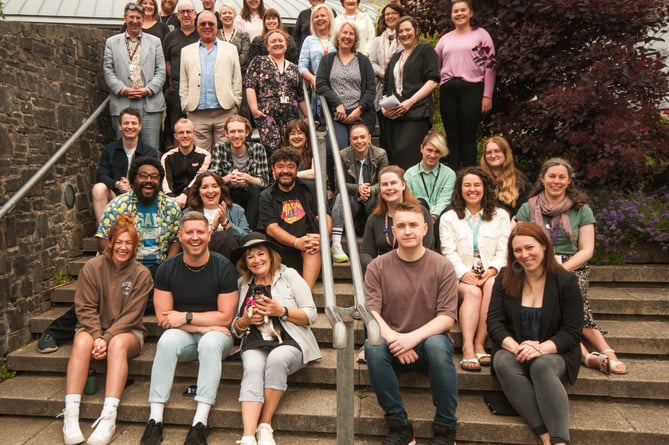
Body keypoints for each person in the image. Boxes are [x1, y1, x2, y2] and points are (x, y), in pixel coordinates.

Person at [37, 157, 181, 355]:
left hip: (156, 268)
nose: (149, 180)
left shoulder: (171, 207)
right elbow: (103, 240)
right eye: (143, 176)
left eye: (154, 177)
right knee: (102, 298)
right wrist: (121, 263)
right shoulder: (118, 205)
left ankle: (110, 327)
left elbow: (175, 239)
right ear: (133, 179)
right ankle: (54, 331)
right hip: (120, 266)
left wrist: (169, 265)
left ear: (160, 181)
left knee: (152, 294)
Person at [515, 158, 628, 375]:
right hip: (535, 264)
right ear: (542, 179)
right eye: (552, 176)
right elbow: (520, 242)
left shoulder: (581, 210)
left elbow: (586, 250)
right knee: (555, 307)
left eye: (561, 177)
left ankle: (603, 351)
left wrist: (561, 271)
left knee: (573, 298)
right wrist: (543, 267)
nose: (556, 181)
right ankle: (587, 355)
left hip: (571, 265)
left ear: (568, 181)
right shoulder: (527, 208)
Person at [140, 212, 239, 445]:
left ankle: (200, 421)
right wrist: (203, 326)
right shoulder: (167, 268)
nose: (195, 237)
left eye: (200, 232)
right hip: (186, 337)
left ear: (209, 234)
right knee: (166, 341)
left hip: (217, 339)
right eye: (189, 232)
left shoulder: (223, 267)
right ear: (180, 236)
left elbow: (224, 318)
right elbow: (165, 319)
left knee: (210, 341)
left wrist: (185, 317)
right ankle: (155, 418)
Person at [365, 201, 459, 445]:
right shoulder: (377, 266)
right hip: (393, 347)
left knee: (438, 345)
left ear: (425, 229)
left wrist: (411, 339)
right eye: (401, 226)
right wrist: (397, 339)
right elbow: (371, 313)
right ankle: (400, 427)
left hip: (429, 348)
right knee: (372, 346)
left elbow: (447, 317)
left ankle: (445, 429)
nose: (408, 231)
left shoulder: (443, 266)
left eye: (413, 225)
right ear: (393, 231)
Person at [487, 222, 584, 445]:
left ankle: (560, 440)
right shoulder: (505, 277)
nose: (524, 255)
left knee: (542, 366)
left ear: (544, 246)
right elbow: (494, 323)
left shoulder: (565, 281)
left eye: (529, 247)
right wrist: (516, 346)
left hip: (555, 351)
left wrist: (540, 348)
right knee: (501, 360)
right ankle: (544, 434)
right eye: (517, 250)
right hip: (516, 349)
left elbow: (572, 331)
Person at [60, 214, 153, 445]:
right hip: (92, 329)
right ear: (110, 242)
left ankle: (108, 416)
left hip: (128, 333)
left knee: (118, 343)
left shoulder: (142, 274)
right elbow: (85, 307)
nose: (123, 247)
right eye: (118, 242)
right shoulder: (92, 267)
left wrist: (107, 338)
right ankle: (71, 415)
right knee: (81, 342)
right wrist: (96, 336)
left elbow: (132, 314)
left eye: (128, 243)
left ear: (135, 246)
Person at [230, 232, 321, 445]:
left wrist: (282, 311)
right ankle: (248, 436)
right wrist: (244, 322)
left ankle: (265, 425)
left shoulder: (289, 276)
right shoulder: (243, 284)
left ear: (271, 256)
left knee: (277, 359)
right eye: (250, 257)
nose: (256, 260)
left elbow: (311, 315)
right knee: (252, 367)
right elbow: (235, 327)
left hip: (290, 341)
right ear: (245, 263)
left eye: (261, 254)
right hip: (255, 342)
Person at [439, 167, 510, 371]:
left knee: (491, 286)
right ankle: (468, 348)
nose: (472, 189)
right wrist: (464, 274)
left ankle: (480, 343)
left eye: (477, 185)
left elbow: (504, 250)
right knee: (472, 292)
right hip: (459, 278)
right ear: (460, 189)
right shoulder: (449, 218)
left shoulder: (501, 216)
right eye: (467, 185)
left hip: (491, 273)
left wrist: (494, 269)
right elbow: (448, 252)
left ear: (485, 188)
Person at [436, 0, 496, 170]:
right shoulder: (445, 39)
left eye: (463, 10)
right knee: (452, 137)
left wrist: (487, 95)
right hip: (448, 89)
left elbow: (490, 66)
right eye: (456, 11)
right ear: (451, 15)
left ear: (470, 13)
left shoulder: (481, 35)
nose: (459, 14)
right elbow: (436, 66)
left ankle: (470, 175)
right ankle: (453, 175)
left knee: (468, 135)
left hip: (472, 88)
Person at [258, 148, 331, 289]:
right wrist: (296, 242)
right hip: (281, 248)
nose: (285, 171)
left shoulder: (309, 189)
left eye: (290, 166)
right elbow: (271, 229)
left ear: (297, 169)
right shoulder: (266, 196)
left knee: (311, 245)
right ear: (273, 170)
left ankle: (305, 293)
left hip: (309, 245)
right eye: (280, 166)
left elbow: (325, 216)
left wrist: (322, 238)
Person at [103, 2, 166, 152]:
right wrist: (123, 89)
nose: (135, 21)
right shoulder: (112, 43)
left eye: (138, 17)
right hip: (122, 102)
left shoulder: (155, 42)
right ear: (125, 19)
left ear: (143, 20)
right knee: (123, 151)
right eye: (131, 17)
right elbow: (108, 70)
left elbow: (161, 70)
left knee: (151, 151)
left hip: (149, 103)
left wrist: (148, 90)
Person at [381, 16, 439, 170]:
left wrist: (410, 101)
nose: (404, 34)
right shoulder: (395, 57)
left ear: (416, 31)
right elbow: (387, 87)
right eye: (401, 31)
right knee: (394, 155)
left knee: (406, 151)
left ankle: (412, 192)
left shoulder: (425, 50)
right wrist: (384, 106)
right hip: (394, 115)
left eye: (408, 29)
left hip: (416, 112)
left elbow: (433, 81)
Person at [180, 10, 243, 151]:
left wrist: (236, 101)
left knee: (226, 153)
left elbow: (237, 79)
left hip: (225, 111)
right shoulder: (186, 51)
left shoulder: (231, 49)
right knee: (200, 156)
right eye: (203, 24)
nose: (207, 26)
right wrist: (185, 103)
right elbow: (184, 81)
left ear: (216, 27)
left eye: (211, 24)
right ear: (197, 27)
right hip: (197, 113)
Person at [330, 123, 388, 263]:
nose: (359, 141)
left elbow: (384, 181)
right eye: (355, 138)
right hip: (353, 201)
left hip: (372, 198)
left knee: (381, 195)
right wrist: (358, 188)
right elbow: (339, 184)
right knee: (340, 197)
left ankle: (380, 243)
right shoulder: (342, 155)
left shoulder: (380, 154)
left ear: (369, 138)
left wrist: (369, 190)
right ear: (350, 140)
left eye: (362, 137)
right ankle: (336, 244)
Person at [245, 29, 308, 156]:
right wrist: (254, 109)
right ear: (267, 46)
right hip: (267, 116)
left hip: (290, 117)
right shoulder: (259, 62)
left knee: (289, 150)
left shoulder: (294, 68)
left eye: (280, 41)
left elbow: (300, 95)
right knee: (271, 149)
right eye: (273, 41)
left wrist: (307, 116)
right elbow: (250, 85)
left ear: (286, 45)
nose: (277, 43)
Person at [360, 165, 434, 271]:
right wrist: (375, 267)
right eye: (384, 184)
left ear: (403, 185)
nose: (389, 188)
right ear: (380, 189)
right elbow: (365, 252)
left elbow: (427, 247)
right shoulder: (374, 218)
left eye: (393, 183)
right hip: (384, 272)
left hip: (416, 269)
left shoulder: (420, 213)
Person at [92, 107, 160, 223]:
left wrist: (132, 187)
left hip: (139, 196)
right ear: (120, 126)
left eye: (133, 123)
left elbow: (154, 180)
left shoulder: (149, 153)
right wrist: (117, 184)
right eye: (126, 123)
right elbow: (101, 175)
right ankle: (104, 234)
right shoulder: (109, 150)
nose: (130, 127)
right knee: (98, 188)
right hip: (116, 196)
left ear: (140, 126)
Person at [316, 21, 377, 150]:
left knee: (359, 148)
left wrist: (359, 109)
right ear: (338, 36)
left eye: (351, 34)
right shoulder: (327, 60)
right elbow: (320, 85)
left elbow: (371, 89)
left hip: (359, 115)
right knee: (338, 146)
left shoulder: (363, 61)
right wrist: (338, 104)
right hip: (336, 116)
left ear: (355, 38)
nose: (347, 36)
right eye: (344, 32)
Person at [209, 115, 270, 230]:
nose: (236, 135)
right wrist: (229, 178)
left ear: (247, 132)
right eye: (232, 131)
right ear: (226, 133)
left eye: (240, 131)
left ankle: (249, 231)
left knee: (256, 188)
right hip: (228, 192)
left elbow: (265, 182)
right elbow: (212, 180)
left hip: (250, 193)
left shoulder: (258, 149)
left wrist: (247, 177)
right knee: (219, 188)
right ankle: (226, 227)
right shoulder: (219, 148)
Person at [187, 171, 252, 258]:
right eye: (205, 187)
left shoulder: (236, 210)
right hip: (201, 258)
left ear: (221, 189)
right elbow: (186, 242)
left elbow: (247, 239)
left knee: (225, 237)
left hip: (232, 258)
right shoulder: (189, 213)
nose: (210, 191)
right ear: (198, 191)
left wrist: (226, 224)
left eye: (214, 186)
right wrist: (212, 229)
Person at [162, 1, 199, 150]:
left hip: (197, 87)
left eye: (189, 11)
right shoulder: (170, 37)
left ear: (195, 14)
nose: (185, 15)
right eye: (182, 12)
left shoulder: (201, 34)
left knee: (196, 127)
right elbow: (167, 62)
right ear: (177, 15)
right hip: (176, 87)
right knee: (177, 126)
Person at [368, 2, 405, 150]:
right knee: (385, 132)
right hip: (381, 90)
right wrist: (383, 73)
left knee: (400, 132)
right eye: (387, 14)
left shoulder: (405, 37)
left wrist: (391, 74)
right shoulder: (377, 41)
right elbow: (371, 62)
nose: (390, 16)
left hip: (400, 89)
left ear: (400, 16)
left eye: (393, 13)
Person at [404, 130, 456, 225]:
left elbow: (445, 199)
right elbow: (409, 200)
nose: (432, 155)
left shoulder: (449, 174)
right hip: (417, 218)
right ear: (421, 148)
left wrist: (433, 216)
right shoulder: (409, 174)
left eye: (437, 152)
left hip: (441, 218)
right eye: (429, 150)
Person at [297, 4, 336, 126]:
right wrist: (312, 78)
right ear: (312, 21)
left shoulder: (338, 38)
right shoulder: (309, 40)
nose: (319, 19)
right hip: (319, 87)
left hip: (338, 87)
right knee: (324, 123)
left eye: (323, 15)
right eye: (316, 17)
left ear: (330, 18)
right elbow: (302, 65)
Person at [160, 118, 211, 208]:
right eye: (181, 133)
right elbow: (166, 181)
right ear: (175, 136)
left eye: (188, 132)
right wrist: (172, 199)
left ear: (194, 134)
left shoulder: (205, 156)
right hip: (172, 200)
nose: (185, 135)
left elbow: (198, 179)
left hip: (196, 199)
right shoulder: (167, 157)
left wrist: (185, 194)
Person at [479, 135, 530, 216]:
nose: (493, 155)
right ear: (484, 156)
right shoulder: (478, 177)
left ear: (506, 153)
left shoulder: (520, 180)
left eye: (497, 151)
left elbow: (523, 210)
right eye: (488, 152)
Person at [218, 3, 252, 74]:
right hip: (217, 74)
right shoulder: (214, 35)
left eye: (230, 13)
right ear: (220, 17)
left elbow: (244, 57)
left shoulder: (243, 37)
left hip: (237, 74)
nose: (227, 15)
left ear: (235, 16)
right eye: (224, 13)